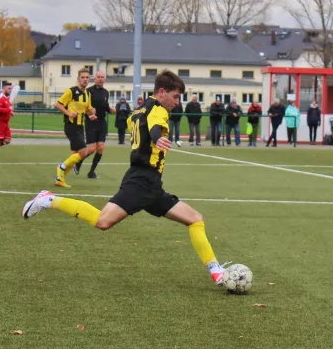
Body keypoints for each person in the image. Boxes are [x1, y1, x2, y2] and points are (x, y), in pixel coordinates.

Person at [21, 70, 231, 288]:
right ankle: (48, 200)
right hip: (140, 181)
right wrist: (158, 139)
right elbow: (155, 127)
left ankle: (216, 270)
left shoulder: (140, 109)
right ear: (161, 92)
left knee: (195, 219)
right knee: (103, 222)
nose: (177, 103)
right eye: (175, 97)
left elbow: (138, 123)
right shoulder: (158, 110)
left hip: (152, 184)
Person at [54, 68, 97, 187]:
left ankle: (60, 179)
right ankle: (61, 167)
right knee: (84, 152)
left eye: (87, 77)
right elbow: (57, 104)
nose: (85, 80)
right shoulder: (71, 91)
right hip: (71, 125)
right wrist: (68, 113)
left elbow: (88, 110)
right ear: (78, 79)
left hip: (80, 126)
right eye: (82, 77)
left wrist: (91, 114)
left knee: (75, 154)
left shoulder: (87, 94)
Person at [74, 70, 115, 179]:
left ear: (104, 79)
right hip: (91, 123)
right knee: (92, 149)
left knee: (101, 147)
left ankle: (91, 172)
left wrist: (110, 110)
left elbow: (105, 106)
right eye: (98, 77)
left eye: (102, 77)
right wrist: (89, 116)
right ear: (95, 78)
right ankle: (78, 162)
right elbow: (83, 108)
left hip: (102, 122)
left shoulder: (106, 92)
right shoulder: (88, 92)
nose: (100, 79)